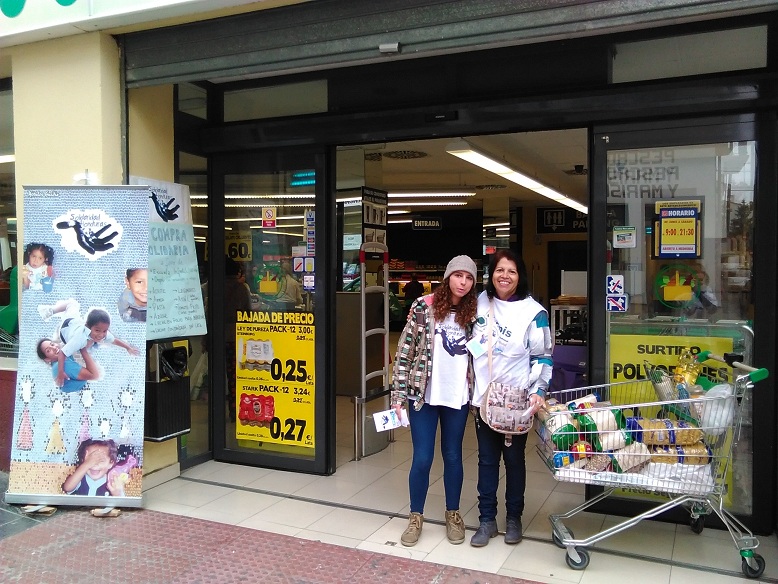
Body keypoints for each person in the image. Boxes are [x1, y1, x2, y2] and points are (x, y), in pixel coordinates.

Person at [391, 255, 478, 547]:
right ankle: (416, 516)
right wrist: (398, 395)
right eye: (458, 276)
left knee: (453, 455)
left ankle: (453, 513)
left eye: (469, 278)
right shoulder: (423, 307)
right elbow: (404, 353)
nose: (463, 283)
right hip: (423, 395)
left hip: (457, 395)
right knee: (423, 457)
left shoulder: (476, 313)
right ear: (448, 277)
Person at [469, 249, 552, 547]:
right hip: (484, 399)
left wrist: (538, 391)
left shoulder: (534, 312)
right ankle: (486, 520)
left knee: (514, 461)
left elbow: (543, 356)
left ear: (520, 276)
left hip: (517, 401)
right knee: (486, 461)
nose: (504, 276)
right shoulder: (479, 303)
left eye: (512, 271)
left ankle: (514, 518)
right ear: (492, 274)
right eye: (499, 270)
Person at [37, 298, 140, 388]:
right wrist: (60, 373)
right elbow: (62, 353)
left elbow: (113, 340)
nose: (101, 334)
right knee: (71, 304)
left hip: (77, 324)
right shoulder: (78, 340)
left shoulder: (102, 333)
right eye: (97, 330)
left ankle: (89, 336)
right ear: (88, 327)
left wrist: (128, 348)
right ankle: (51, 310)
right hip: (67, 327)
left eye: (104, 331)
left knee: (95, 340)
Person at [225, 257, 252, 421]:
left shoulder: (213, 287)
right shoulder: (241, 289)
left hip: (216, 336)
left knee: (216, 375)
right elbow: (248, 313)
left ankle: (215, 410)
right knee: (234, 377)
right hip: (235, 337)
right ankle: (234, 410)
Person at [62, 438, 127, 497]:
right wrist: (86, 464)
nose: (95, 464)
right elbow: (67, 488)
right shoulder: (79, 478)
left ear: (110, 463)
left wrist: (117, 494)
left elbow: (123, 506)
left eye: (101, 460)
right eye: (90, 460)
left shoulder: (112, 482)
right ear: (83, 461)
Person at [37, 340, 101, 393]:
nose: (54, 348)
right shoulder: (64, 364)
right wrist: (83, 349)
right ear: (47, 359)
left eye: (52, 344)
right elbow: (95, 375)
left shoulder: (57, 365)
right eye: (48, 350)